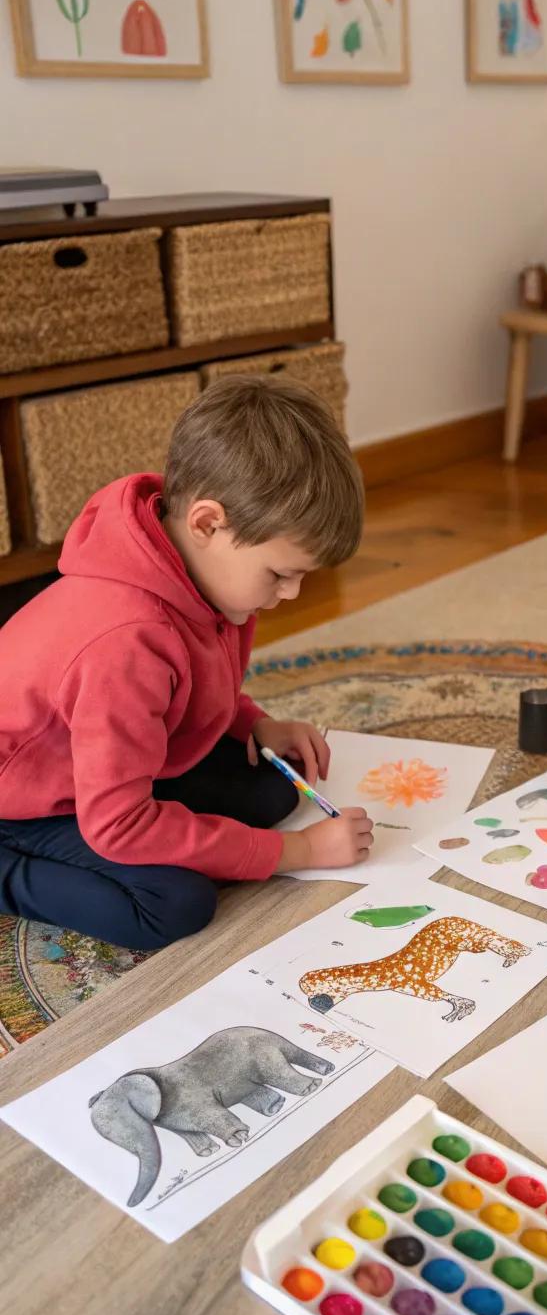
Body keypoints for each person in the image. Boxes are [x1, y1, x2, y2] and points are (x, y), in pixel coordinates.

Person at [0, 375, 373, 952]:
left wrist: (252, 722)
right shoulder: (124, 644)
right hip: (20, 800)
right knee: (175, 903)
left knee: (273, 792)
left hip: (96, 762)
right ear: (206, 523)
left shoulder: (209, 572)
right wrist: (296, 854)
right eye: (280, 574)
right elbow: (119, 824)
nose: (291, 594)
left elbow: (200, 678)